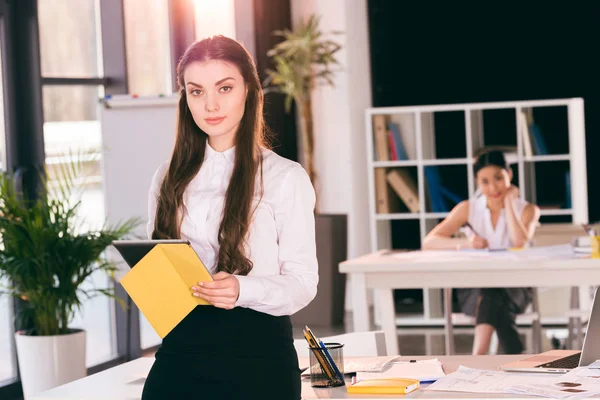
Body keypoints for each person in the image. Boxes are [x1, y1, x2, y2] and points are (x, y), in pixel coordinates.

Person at [141, 36, 318, 400]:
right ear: (184, 99)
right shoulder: (166, 177)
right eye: (196, 91)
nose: (210, 104)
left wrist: (242, 289)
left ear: (250, 92)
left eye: (224, 87)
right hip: (180, 353)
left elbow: (303, 282)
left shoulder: (285, 177)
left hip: (257, 356)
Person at [422, 150, 541, 355]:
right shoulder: (467, 208)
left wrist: (509, 203)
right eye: (485, 182)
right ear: (477, 182)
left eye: (498, 178)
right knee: (491, 292)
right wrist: (466, 244)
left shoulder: (528, 209)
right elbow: (429, 242)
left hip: (516, 288)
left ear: (509, 175)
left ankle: (478, 356)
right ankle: (515, 354)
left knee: (493, 293)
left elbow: (520, 241)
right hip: (474, 290)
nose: (493, 187)